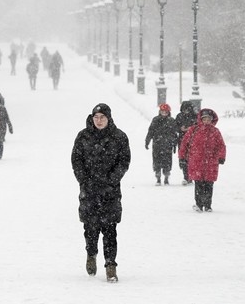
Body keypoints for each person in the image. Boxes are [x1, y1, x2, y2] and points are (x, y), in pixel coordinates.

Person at [71, 103, 131, 283]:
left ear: (108, 118)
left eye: (102, 117)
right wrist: (84, 180)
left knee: (110, 229)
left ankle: (110, 265)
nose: (99, 121)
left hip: (110, 191)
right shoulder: (83, 136)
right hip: (88, 190)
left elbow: (124, 161)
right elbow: (76, 160)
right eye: (96, 117)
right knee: (90, 228)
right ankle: (91, 253)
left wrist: (111, 180)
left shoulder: (119, 137)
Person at [178, 108, 226, 212]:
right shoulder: (194, 130)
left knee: (209, 184)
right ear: (201, 119)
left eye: (209, 119)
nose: (206, 121)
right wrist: (182, 156)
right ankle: (199, 204)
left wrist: (221, 157)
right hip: (196, 162)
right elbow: (184, 143)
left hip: (211, 163)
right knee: (198, 184)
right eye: (204, 119)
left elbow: (221, 145)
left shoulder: (215, 132)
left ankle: (208, 205)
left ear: (212, 120)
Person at [144, 103, 180, 185]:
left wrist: (174, 144)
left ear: (168, 112)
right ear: (159, 111)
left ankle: (166, 177)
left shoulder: (171, 121)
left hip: (168, 145)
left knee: (167, 162)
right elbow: (151, 131)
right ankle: (158, 177)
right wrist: (147, 141)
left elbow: (174, 133)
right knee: (157, 161)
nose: (164, 113)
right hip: (157, 144)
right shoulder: (155, 120)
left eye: (166, 112)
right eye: (162, 111)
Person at [174, 101, 197, 185]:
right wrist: (180, 129)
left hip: (193, 140)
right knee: (183, 158)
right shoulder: (179, 116)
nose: (186, 111)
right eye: (184, 109)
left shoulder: (195, 116)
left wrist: (191, 129)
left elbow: (199, 126)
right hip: (182, 139)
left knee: (192, 159)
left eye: (188, 109)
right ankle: (186, 176)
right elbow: (174, 126)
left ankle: (191, 176)